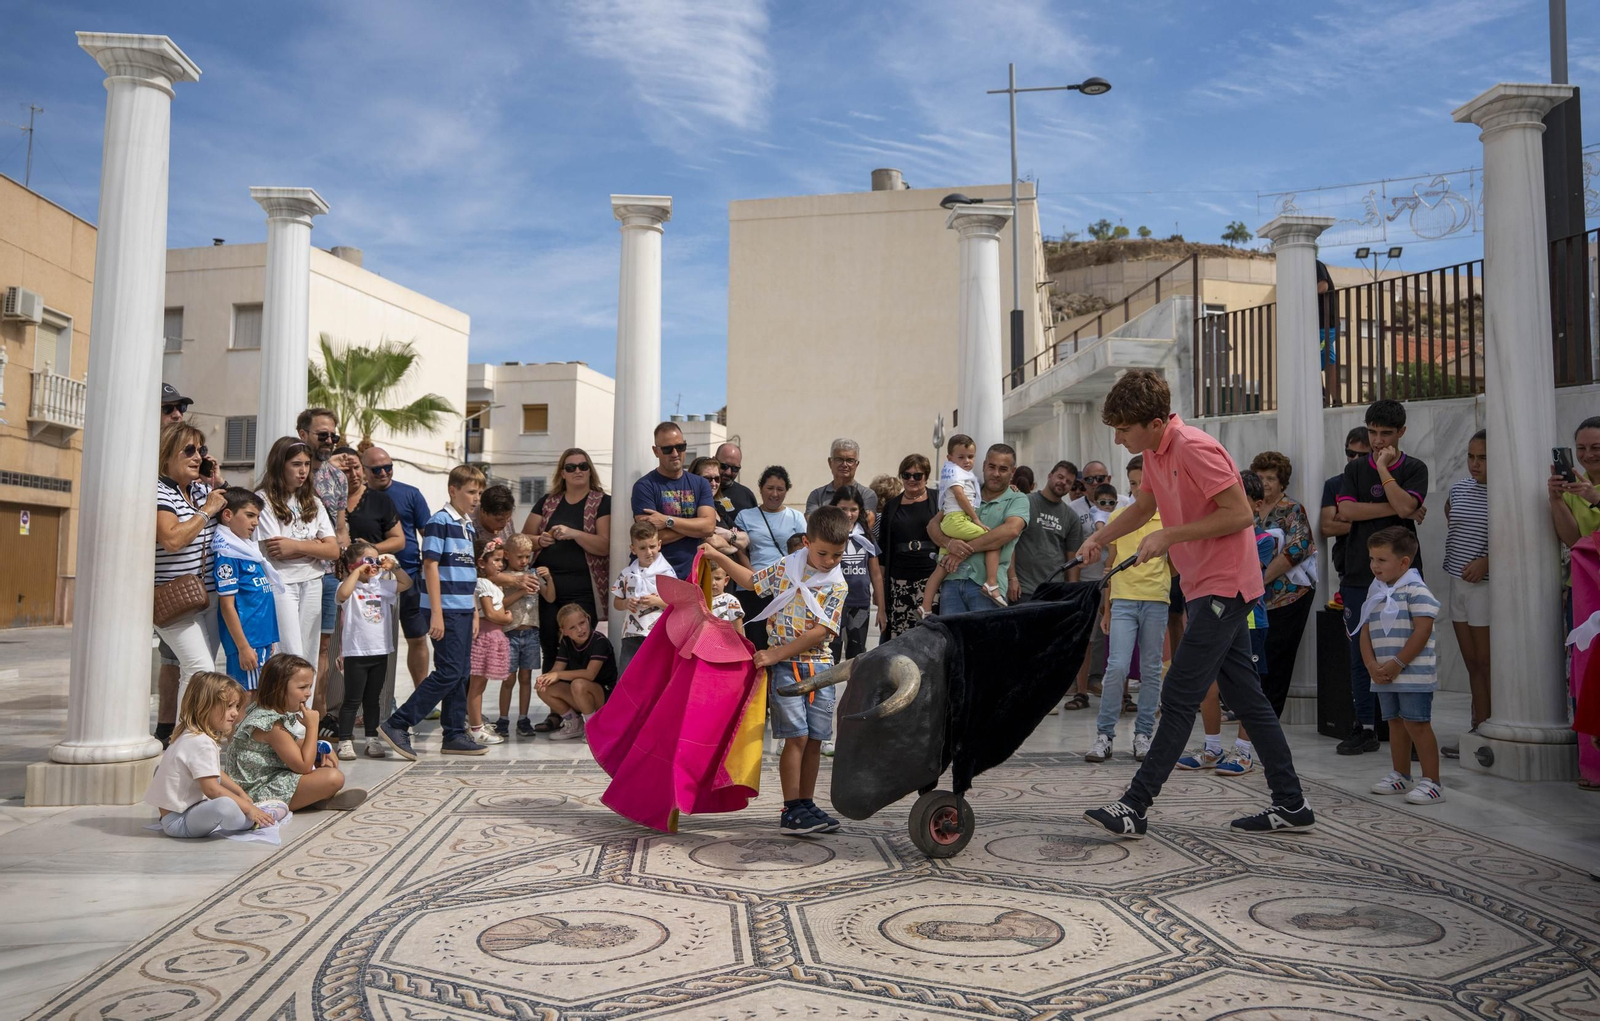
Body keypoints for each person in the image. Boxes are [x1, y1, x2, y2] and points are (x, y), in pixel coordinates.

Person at [1078, 369, 1312, 838]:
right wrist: (1100, 538)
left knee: (1179, 694)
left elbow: (1240, 513)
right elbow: (1143, 508)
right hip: (1204, 585)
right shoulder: (1155, 452)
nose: (1119, 438)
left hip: (1225, 586)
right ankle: (1291, 803)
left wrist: (1170, 536)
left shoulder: (1194, 447)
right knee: (1248, 699)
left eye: (1124, 429)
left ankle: (1135, 805)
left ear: (1155, 422)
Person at [699, 506, 850, 837]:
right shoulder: (788, 566)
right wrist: (718, 556)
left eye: (837, 555)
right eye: (823, 553)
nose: (829, 561)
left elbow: (821, 632)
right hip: (786, 668)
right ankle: (791, 808)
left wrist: (775, 653)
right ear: (807, 542)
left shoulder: (837, 585)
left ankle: (806, 803)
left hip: (820, 667)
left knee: (815, 739)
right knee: (796, 737)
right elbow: (752, 582)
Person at [1336, 400, 1429, 756]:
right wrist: (1401, 507)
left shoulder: (1415, 468)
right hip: (1359, 573)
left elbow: (1407, 507)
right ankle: (1365, 726)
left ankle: (1414, 730)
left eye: (1385, 433)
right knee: (1360, 654)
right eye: (1372, 432)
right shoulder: (1355, 469)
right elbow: (1347, 510)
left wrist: (1384, 470)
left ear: (1401, 432)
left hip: (1404, 575)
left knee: (1408, 651)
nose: (1377, 441)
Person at [379, 464, 490, 759]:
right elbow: (430, 565)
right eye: (471, 492)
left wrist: (474, 610)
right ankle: (397, 723)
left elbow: (468, 572)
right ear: (453, 490)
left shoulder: (467, 525)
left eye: (479, 493)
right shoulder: (439, 521)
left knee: (461, 673)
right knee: (448, 671)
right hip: (446, 610)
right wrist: (437, 614)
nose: (476, 498)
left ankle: (453, 735)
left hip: (463, 609)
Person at [523, 447, 612, 720]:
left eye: (582, 466)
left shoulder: (602, 502)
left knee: (580, 645)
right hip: (548, 588)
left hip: (585, 588)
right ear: (562, 472)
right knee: (550, 646)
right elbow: (524, 539)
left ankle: (585, 708)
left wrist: (574, 533)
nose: (577, 471)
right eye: (571, 467)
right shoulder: (547, 502)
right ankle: (557, 713)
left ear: (590, 470)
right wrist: (540, 540)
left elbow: (604, 545)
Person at [154, 421, 227, 746]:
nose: (198, 457)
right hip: (175, 600)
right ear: (167, 453)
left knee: (195, 673)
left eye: (201, 450)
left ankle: (183, 741)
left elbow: (239, 512)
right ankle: (187, 744)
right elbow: (171, 539)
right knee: (200, 668)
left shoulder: (198, 490)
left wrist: (218, 482)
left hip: (207, 597)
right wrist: (206, 511)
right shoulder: (160, 491)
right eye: (189, 450)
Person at [145, 671, 288, 838]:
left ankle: (249, 811)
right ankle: (256, 820)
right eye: (229, 706)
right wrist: (249, 808)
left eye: (236, 707)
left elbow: (214, 772)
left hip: (172, 816)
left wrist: (240, 793)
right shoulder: (201, 743)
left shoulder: (188, 733)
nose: (235, 713)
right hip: (180, 822)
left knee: (218, 791)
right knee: (224, 806)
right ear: (205, 706)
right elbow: (212, 789)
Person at [1359, 527, 1444, 805]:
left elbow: (1422, 630)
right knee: (1395, 723)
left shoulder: (1416, 591)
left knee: (1417, 724)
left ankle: (1432, 782)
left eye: (1381, 560)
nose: (1374, 566)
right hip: (1383, 674)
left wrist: (1397, 663)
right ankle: (1401, 775)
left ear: (1404, 562)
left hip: (1412, 674)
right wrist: (1371, 665)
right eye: (1372, 559)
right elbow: (1365, 631)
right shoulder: (1376, 591)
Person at [1085, 494, 1168, 764]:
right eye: (1133, 483)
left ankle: (1143, 735)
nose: (1139, 488)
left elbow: (1176, 565)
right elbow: (1110, 564)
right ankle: (1104, 736)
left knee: (1151, 669)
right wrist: (1107, 610)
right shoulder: (1119, 517)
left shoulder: (1168, 518)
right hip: (1122, 600)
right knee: (1117, 666)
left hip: (1156, 599)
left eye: (1142, 481)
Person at [224, 654, 366, 811]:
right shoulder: (271, 725)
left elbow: (291, 743)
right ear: (278, 688)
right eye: (302, 687)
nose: (308, 693)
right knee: (333, 778)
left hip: (265, 778)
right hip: (254, 793)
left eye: (309, 687)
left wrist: (320, 746)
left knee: (321, 761)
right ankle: (312, 799)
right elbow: (303, 767)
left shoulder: (265, 710)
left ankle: (314, 800)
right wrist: (313, 727)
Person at [1547, 416, 1600, 789]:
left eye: (1596, 448)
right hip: (1584, 592)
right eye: (1580, 448)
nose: (1587, 455)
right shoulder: (1573, 488)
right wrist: (1556, 498)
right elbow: (1571, 538)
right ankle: (1592, 764)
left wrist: (1596, 498)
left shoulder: (1589, 490)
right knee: (1585, 676)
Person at [254, 437, 339, 670]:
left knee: (309, 652)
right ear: (279, 464)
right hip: (282, 583)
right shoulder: (264, 500)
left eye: (306, 464)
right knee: (289, 652)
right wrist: (315, 546)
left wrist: (297, 546)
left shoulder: (314, 502)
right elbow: (277, 550)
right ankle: (285, 696)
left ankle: (305, 696)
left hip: (313, 581)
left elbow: (333, 550)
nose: (303, 471)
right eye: (296, 464)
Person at [297, 410, 358, 717]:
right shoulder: (292, 472)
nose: (330, 441)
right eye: (323, 435)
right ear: (303, 434)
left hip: (329, 574)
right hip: (296, 573)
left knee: (322, 647)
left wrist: (344, 552)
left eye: (334, 436)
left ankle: (317, 717)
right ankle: (291, 715)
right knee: (294, 645)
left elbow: (341, 526)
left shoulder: (337, 477)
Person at [361, 447, 432, 699]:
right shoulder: (359, 498)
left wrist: (432, 571)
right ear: (364, 470)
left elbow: (428, 535)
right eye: (376, 469)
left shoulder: (410, 494)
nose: (383, 473)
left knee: (418, 638)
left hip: (409, 577)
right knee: (375, 643)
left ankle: (421, 698)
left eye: (388, 467)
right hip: (371, 583)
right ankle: (379, 700)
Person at [1250, 451, 1317, 717]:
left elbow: (1298, 548)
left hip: (1289, 597)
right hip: (1256, 599)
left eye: (1271, 478)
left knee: (1278, 658)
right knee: (1257, 656)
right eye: (1260, 477)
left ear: (1282, 482)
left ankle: (1270, 716)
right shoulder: (1250, 508)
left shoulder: (1292, 509)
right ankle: (1252, 713)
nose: (1265, 483)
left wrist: (1260, 578)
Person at [926, 444, 1029, 616]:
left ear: (1013, 471)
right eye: (991, 467)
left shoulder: (1018, 499)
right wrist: (949, 543)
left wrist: (962, 552)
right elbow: (932, 525)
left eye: (1003, 469)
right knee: (952, 634)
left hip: (987, 588)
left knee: (985, 635)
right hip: (952, 581)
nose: (996, 473)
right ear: (983, 466)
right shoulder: (966, 491)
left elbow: (1010, 530)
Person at [335, 540, 409, 759]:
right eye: (369, 560)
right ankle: (344, 741)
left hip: (380, 651)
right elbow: (342, 595)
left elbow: (407, 583)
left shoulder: (381, 586)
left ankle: (372, 738)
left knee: (372, 699)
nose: (374, 565)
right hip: (356, 653)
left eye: (376, 560)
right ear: (353, 566)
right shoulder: (348, 586)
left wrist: (394, 566)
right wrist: (358, 572)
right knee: (352, 699)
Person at [920, 434, 1006, 613]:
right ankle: (991, 583)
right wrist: (976, 519)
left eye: (970, 456)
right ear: (950, 457)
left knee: (941, 567)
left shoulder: (958, 472)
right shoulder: (955, 473)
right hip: (957, 519)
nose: (967, 461)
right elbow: (960, 496)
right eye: (961, 457)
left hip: (952, 520)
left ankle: (925, 607)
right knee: (992, 540)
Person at [212, 488, 281, 700]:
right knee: (245, 697)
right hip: (248, 640)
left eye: (258, 517)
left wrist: (269, 638)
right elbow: (227, 606)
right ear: (227, 515)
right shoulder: (227, 554)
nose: (255, 522)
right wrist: (243, 647)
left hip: (261, 638)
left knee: (260, 695)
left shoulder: (247, 550)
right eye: (250, 515)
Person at [1444, 430, 1490, 741]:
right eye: (1471, 456)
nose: (1475, 464)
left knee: (1487, 662)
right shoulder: (1460, 488)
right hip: (1457, 583)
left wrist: (1487, 561)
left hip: (1485, 587)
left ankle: (1494, 727)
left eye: (1483, 458)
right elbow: (1451, 512)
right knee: (1471, 661)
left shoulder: (1505, 492)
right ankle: (1479, 726)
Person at [734, 467, 808, 649]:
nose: (774, 494)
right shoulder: (745, 516)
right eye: (770, 488)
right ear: (760, 488)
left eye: (780, 489)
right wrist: (752, 574)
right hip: (753, 587)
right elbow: (739, 550)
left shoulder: (796, 517)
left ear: (786, 491)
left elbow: (805, 550)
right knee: (756, 641)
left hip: (785, 587)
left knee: (783, 640)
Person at [633, 422, 717, 580]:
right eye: (667, 449)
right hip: (653, 578)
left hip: (693, 575)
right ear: (656, 451)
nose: (675, 453)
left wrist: (668, 521)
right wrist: (694, 527)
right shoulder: (644, 486)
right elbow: (648, 538)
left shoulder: (701, 484)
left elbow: (708, 527)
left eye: (680, 447)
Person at [876, 455, 939, 641]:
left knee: (930, 636)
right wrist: (879, 591)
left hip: (931, 580)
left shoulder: (938, 499)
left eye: (917, 475)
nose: (912, 479)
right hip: (899, 582)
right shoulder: (891, 506)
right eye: (906, 475)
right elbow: (883, 550)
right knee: (901, 638)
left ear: (926, 476)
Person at [537, 603, 619, 741]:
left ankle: (593, 727)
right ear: (564, 631)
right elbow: (557, 669)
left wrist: (558, 675)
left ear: (588, 619)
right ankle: (574, 723)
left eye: (582, 623)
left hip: (605, 696)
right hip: (582, 696)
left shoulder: (600, 641)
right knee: (545, 688)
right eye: (572, 627)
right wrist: (544, 678)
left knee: (578, 684)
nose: (580, 629)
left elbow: (590, 674)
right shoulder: (566, 642)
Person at [1010, 460, 1085, 603]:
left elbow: (1073, 561)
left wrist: (1072, 595)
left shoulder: (1072, 517)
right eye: (1060, 477)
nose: (1063, 483)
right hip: (1022, 590)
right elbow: (1009, 544)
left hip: (1054, 592)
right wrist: (1011, 578)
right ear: (1050, 476)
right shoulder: (1024, 502)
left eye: (1069, 482)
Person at [494, 534, 545, 738]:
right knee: (508, 679)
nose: (524, 561)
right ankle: (503, 719)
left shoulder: (532, 574)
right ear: (507, 555)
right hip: (510, 633)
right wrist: (521, 591)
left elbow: (550, 596)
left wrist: (548, 579)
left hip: (531, 633)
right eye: (520, 557)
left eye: (527, 556)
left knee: (526, 677)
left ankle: (523, 718)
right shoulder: (503, 577)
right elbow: (499, 604)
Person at [828, 486, 883, 663]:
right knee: (831, 653)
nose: (848, 514)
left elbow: (876, 574)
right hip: (833, 604)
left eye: (853, 509)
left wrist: (881, 609)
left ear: (860, 511)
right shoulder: (828, 536)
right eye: (843, 509)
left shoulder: (866, 537)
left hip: (860, 604)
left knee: (856, 653)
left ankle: (853, 683)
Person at [611, 521, 675, 673]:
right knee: (627, 675)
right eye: (642, 548)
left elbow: (676, 605)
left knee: (655, 676)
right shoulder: (627, 573)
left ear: (659, 545)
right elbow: (616, 602)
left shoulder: (667, 573)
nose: (649, 552)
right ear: (633, 549)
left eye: (652, 546)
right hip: (631, 634)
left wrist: (657, 601)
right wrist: (626, 603)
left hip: (659, 634)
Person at [466, 538, 513, 746]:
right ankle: (476, 728)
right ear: (481, 563)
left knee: (480, 685)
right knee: (476, 686)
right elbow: (491, 613)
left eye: (502, 560)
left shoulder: (490, 584)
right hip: (485, 638)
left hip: (492, 636)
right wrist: (507, 619)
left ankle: (475, 723)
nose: (500, 565)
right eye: (496, 560)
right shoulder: (482, 583)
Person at [1319, 427, 1371, 609]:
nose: (1355, 459)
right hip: (1348, 564)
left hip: (1381, 564)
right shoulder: (1334, 484)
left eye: (1362, 455)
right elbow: (1326, 527)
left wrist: (1347, 517)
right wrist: (1371, 519)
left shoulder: (1382, 482)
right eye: (1351, 453)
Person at [691, 455, 747, 557]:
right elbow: (713, 542)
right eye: (707, 479)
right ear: (694, 479)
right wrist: (733, 545)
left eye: (717, 478)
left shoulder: (718, 508)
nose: (713, 484)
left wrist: (727, 534)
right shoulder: (692, 510)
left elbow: (745, 539)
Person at [805, 438, 878, 516]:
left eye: (850, 460)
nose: (844, 465)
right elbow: (811, 521)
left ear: (856, 465)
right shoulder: (817, 495)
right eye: (839, 459)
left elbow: (867, 521)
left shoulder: (867, 495)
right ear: (830, 462)